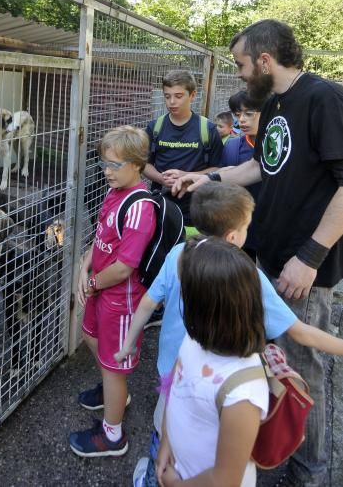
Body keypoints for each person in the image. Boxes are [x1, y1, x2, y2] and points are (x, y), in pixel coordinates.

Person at [172, 19, 343, 487]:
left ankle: (312, 474)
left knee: (307, 368)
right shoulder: (273, 105)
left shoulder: (323, 98)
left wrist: (310, 256)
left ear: (265, 60)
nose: (241, 74)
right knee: (278, 359)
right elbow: (256, 167)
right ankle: (278, 451)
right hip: (268, 255)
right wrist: (207, 178)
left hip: (304, 264)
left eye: (242, 65)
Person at [118, 182, 343, 487]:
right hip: (216, 392)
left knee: (166, 439)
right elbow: (300, 333)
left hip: (175, 377)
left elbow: (148, 303)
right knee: (212, 444)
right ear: (234, 236)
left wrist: (128, 344)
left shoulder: (179, 255)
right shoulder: (247, 277)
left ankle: (151, 478)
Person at [69, 125, 157, 458]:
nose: (107, 171)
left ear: (137, 164)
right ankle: (113, 389)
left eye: (115, 164)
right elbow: (102, 235)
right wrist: (83, 265)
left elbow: (123, 268)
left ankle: (112, 436)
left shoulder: (140, 208)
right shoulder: (114, 192)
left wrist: (91, 283)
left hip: (120, 299)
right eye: (104, 162)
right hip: (101, 290)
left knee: (112, 364)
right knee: (91, 336)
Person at [157, 237, 269, 486]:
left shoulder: (243, 393)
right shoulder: (195, 339)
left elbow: (224, 480)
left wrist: (176, 484)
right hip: (177, 466)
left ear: (203, 308)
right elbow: (175, 386)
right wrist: (166, 439)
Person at [144, 69, 223, 230]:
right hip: (160, 207)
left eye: (178, 96)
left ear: (192, 95)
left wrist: (186, 176)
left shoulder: (207, 129)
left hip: (196, 211)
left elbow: (218, 168)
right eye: (167, 96)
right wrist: (160, 178)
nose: (172, 102)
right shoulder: (155, 128)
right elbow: (144, 164)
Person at [221, 90, 265, 259]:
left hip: (272, 230)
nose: (242, 120)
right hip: (241, 230)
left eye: (249, 114)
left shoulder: (280, 147)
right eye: (238, 114)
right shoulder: (232, 148)